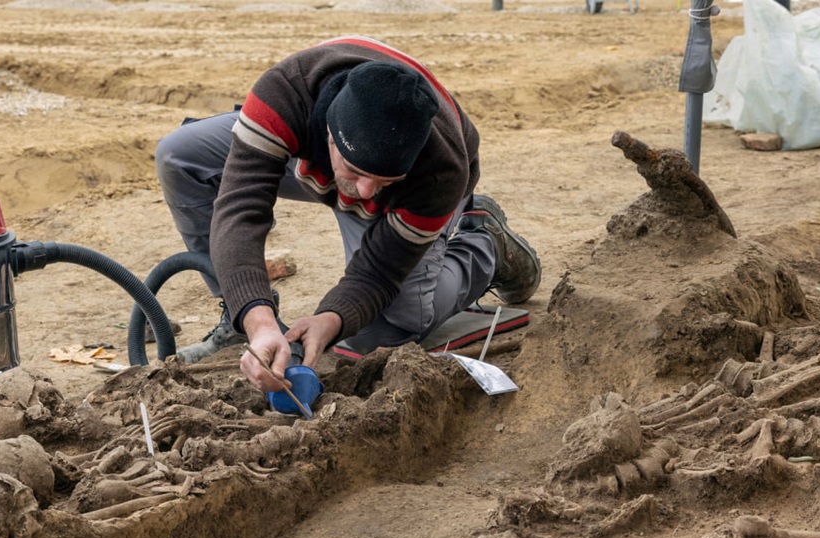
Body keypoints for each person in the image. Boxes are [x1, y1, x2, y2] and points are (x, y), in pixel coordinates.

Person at [155, 36, 541, 393]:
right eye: (357, 173)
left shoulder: (442, 170)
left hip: (411, 197)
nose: (365, 194)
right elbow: (240, 209)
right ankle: (238, 319)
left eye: (383, 179)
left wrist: (331, 320)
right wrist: (256, 317)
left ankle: (484, 244)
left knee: (387, 329)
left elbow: (378, 274)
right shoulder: (285, 94)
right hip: (311, 152)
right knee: (180, 156)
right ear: (328, 135)